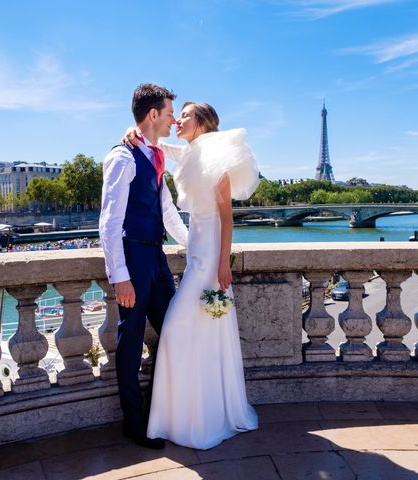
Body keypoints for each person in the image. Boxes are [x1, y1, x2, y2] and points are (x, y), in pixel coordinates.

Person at [123, 101, 260, 449]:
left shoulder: (217, 159)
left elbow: (227, 216)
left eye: (184, 115)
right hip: (198, 252)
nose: (177, 120)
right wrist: (134, 132)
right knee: (197, 333)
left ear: (201, 121)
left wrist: (223, 263)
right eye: (177, 114)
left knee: (175, 330)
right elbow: (156, 144)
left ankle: (190, 416)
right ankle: (194, 413)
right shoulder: (192, 154)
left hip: (211, 256)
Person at [99, 84, 188, 450]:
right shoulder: (121, 158)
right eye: (169, 113)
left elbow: (166, 210)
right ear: (153, 114)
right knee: (132, 342)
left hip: (155, 256)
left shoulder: (153, 155)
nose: (172, 119)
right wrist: (120, 277)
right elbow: (108, 223)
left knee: (176, 333)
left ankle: (158, 413)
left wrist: (193, 246)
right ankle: (134, 423)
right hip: (133, 258)